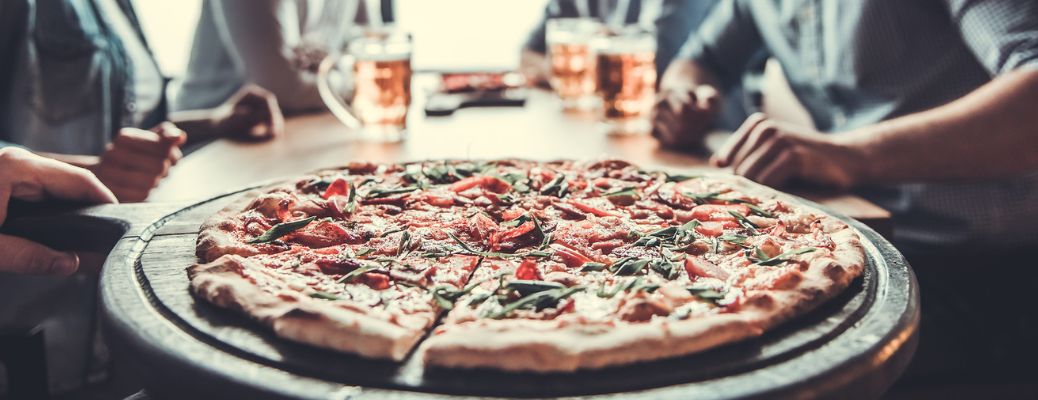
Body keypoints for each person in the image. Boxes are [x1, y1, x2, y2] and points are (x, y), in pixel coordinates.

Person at [654, 0, 1038, 388]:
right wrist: (683, 98)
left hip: (983, 272)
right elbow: (700, 60)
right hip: (850, 234)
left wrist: (851, 155)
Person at [0, 0, 284, 203]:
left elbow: (129, 132)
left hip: (125, 217)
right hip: (54, 245)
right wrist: (91, 173)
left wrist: (216, 121)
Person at [523, 0, 761, 130]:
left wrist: (579, 69)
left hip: (714, 144)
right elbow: (528, 55)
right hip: (628, 134)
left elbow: (656, 69)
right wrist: (575, 75)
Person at [174, 0, 388, 114]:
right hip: (216, 137)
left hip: (306, 121)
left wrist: (332, 66)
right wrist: (349, 74)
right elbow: (283, 89)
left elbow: (374, 51)